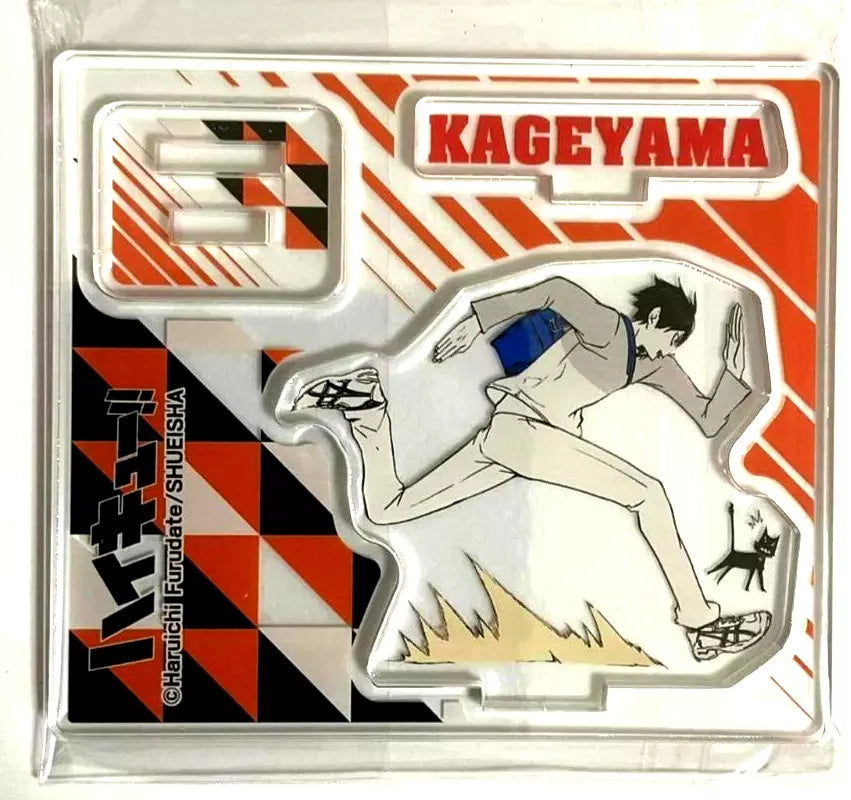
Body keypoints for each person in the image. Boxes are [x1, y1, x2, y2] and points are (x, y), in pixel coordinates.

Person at [288, 275, 771, 660]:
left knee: (385, 510)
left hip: (515, 441)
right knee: (648, 494)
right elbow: (555, 290)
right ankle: (700, 621)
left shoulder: (653, 365)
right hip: (524, 432)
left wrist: (731, 373)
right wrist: (477, 320)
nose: (671, 351)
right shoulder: (609, 329)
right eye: (673, 338)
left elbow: (709, 419)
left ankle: (368, 410)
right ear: (656, 318)